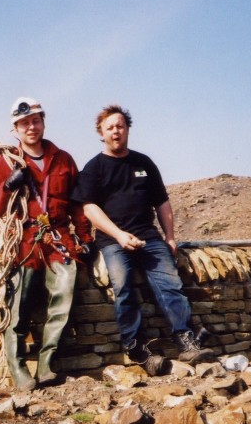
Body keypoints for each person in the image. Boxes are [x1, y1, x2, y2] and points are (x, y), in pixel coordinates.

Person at [71, 104, 216, 375]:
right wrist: (119, 235)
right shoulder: (94, 168)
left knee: (170, 284)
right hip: (113, 241)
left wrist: (170, 238)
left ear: (127, 129)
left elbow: (162, 202)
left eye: (120, 126)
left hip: (149, 237)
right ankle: (136, 347)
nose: (116, 131)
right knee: (123, 286)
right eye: (110, 127)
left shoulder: (144, 163)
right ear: (101, 132)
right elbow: (89, 208)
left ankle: (186, 340)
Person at [0, 97, 92, 391]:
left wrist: (84, 238)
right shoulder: (5, 162)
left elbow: (78, 204)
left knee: (64, 292)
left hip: (57, 238)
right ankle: (18, 367)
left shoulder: (64, 159)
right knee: (17, 304)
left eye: (35, 120)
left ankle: (47, 363)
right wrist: (8, 186)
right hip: (23, 240)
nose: (31, 127)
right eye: (24, 123)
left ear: (43, 122)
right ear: (15, 128)